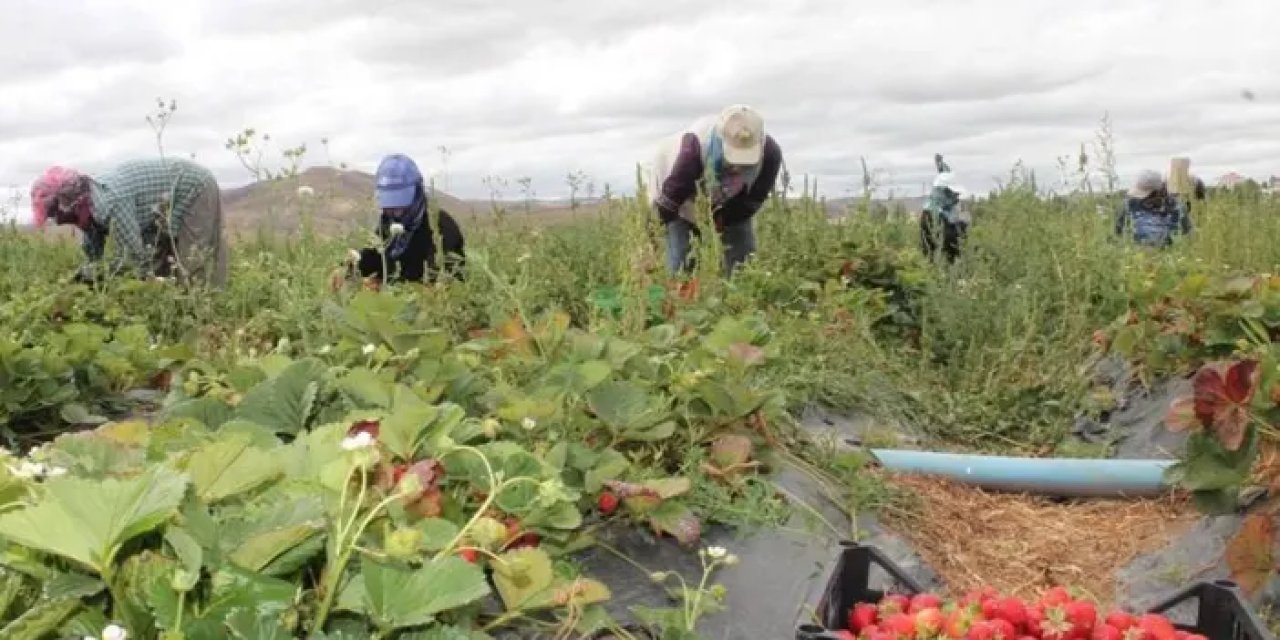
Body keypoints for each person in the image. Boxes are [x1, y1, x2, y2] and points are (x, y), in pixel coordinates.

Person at [30, 158, 227, 287]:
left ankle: (205, 321)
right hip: (159, 204)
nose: (57, 221)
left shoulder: (111, 202)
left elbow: (132, 259)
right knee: (159, 266)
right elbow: (95, 255)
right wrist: (85, 276)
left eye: (54, 214)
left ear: (69, 202)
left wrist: (94, 275)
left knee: (194, 266)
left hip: (193, 188)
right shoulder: (88, 207)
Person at [650, 104, 783, 276]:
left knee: (742, 261)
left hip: (731, 199)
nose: (737, 167)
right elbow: (667, 206)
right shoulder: (692, 150)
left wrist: (723, 218)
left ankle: (737, 289)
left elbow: (751, 202)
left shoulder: (770, 154)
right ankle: (681, 289)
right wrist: (652, 242)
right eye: (733, 158)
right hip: (681, 201)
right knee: (681, 261)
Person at [349, 153, 465, 284]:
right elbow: (376, 256)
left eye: (399, 203)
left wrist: (381, 286)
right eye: (389, 205)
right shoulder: (389, 221)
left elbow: (440, 280)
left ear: (417, 193)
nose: (394, 212)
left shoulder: (441, 227)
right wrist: (352, 267)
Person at [1115, 170, 1191, 248]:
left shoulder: (1177, 207)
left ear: (1157, 192)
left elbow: (1187, 234)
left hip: (1170, 252)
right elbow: (1118, 232)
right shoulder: (1130, 204)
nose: (1141, 198)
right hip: (1135, 252)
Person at [919, 154, 970, 263]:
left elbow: (945, 172)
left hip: (940, 218)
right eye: (954, 193)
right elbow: (947, 239)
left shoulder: (946, 207)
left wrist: (940, 164)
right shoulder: (932, 213)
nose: (956, 196)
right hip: (935, 220)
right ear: (945, 191)